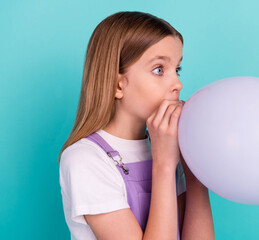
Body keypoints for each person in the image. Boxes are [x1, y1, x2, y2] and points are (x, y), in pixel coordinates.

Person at [58, 11, 215, 240]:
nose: (177, 84)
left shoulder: (166, 147)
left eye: (177, 69)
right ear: (118, 85)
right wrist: (163, 165)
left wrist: (195, 172)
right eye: (159, 69)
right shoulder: (85, 160)